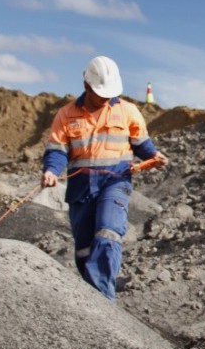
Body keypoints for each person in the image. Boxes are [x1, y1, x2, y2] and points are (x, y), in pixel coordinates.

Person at [43, 55, 167, 299]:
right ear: (87, 85)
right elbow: (57, 151)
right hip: (81, 187)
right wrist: (51, 171)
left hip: (115, 182)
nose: (105, 99)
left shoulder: (128, 111)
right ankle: (94, 293)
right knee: (84, 249)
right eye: (101, 94)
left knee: (109, 232)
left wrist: (154, 155)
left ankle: (103, 303)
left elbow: (141, 144)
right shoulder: (66, 115)